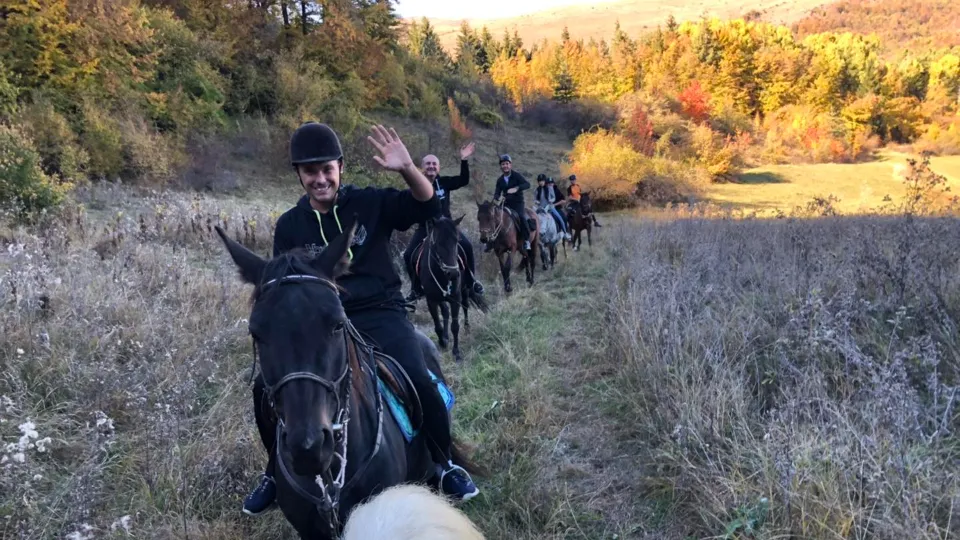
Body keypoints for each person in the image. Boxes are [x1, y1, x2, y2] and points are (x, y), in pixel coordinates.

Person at [242, 121, 480, 517]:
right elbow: (286, 287)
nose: (319, 179)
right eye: (310, 171)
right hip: (320, 325)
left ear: (340, 167)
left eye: (326, 169)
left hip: (380, 313)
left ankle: (443, 462)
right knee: (264, 390)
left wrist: (407, 168)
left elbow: (428, 205)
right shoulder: (289, 225)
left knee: (419, 378)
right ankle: (274, 471)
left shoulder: (370, 202)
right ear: (299, 175)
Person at [403, 143, 485, 303]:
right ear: (422, 167)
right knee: (408, 255)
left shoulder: (445, 182)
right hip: (425, 228)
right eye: (428, 164)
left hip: (447, 228)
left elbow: (463, 180)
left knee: (467, 246)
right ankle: (415, 289)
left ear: (438, 168)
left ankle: (471, 281)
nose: (431, 166)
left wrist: (463, 160)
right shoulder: (416, 185)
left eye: (434, 164)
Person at [491, 154, 532, 251]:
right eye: (503, 164)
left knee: (522, 217)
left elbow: (527, 184)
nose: (505, 166)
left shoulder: (516, 176)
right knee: (494, 217)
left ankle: (526, 240)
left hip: (518, 203)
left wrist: (516, 188)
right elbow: (497, 192)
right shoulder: (500, 180)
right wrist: (496, 198)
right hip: (505, 203)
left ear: (510, 165)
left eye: (507, 164)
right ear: (501, 166)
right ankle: (491, 242)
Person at [534, 175, 572, 240]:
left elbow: (553, 198)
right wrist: (537, 202)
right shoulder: (537, 190)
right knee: (533, 218)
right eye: (539, 181)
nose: (541, 182)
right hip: (541, 208)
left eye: (542, 181)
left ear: (544, 181)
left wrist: (550, 201)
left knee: (560, 218)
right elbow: (535, 199)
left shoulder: (550, 188)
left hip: (550, 207)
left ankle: (565, 232)